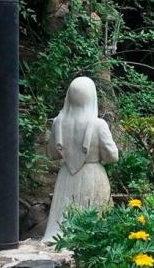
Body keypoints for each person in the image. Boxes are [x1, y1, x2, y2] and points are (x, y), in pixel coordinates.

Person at [43, 76, 118, 242]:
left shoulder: (58, 122)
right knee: (96, 227)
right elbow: (113, 157)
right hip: (93, 176)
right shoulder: (99, 125)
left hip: (66, 177)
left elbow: (52, 154)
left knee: (63, 225)